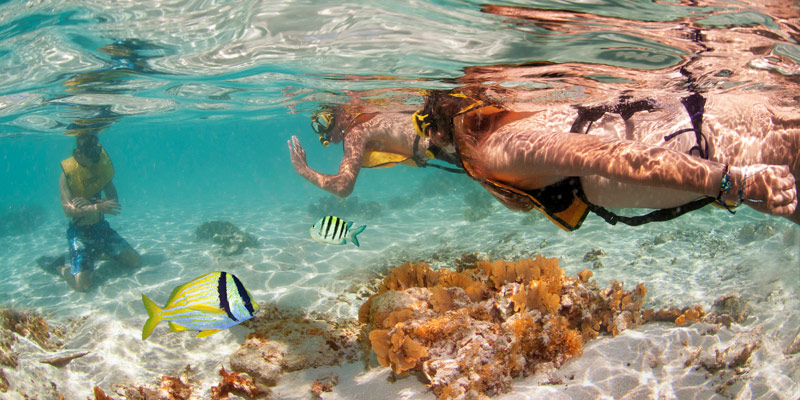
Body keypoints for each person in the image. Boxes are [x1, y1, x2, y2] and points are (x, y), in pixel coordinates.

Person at [413, 85, 799, 230]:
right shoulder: (501, 147)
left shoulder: (511, 124)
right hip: (725, 144)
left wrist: (732, 181)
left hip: (724, 142)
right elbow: (608, 155)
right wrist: (730, 181)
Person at [288, 102, 463, 198]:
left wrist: (303, 170)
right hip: (450, 133)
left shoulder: (355, 133)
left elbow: (343, 187)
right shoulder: (375, 112)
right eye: (319, 128)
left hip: (449, 144)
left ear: (343, 114)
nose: (326, 134)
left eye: (325, 123)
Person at [58, 131, 140, 291]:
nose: (94, 158)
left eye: (96, 151)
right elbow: (68, 210)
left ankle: (99, 252)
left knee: (135, 261)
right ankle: (59, 267)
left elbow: (113, 199)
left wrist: (91, 202)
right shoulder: (66, 175)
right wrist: (95, 207)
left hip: (100, 228)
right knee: (83, 285)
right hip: (80, 232)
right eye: (89, 152)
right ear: (78, 153)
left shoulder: (99, 168)